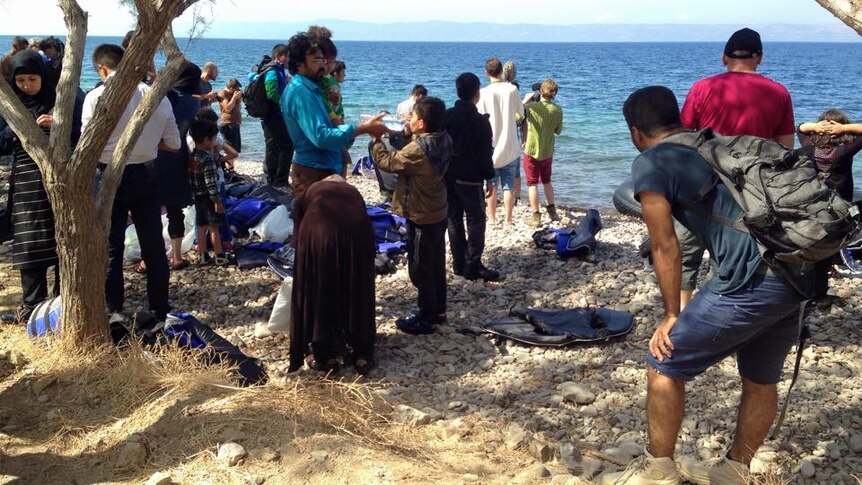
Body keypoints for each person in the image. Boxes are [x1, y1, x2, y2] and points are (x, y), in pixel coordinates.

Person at [601, 86, 806, 485]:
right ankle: (733, 471)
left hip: (752, 276)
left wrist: (673, 314)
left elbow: (665, 246)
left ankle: (659, 470)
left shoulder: (651, 161)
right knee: (761, 378)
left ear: (635, 132)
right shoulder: (712, 142)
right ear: (677, 119)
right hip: (798, 270)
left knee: (664, 363)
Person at [676, 27, 795, 309]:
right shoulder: (779, 93)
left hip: (699, 184)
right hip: (748, 193)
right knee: (730, 256)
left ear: (723, 58)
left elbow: (682, 138)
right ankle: (718, 314)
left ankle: (679, 316)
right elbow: (784, 148)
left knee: (685, 253)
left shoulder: (702, 88)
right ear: (760, 57)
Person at [83, 43, 181, 322]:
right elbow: (174, 144)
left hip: (109, 173)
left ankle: (114, 310)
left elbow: (87, 143)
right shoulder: (157, 98)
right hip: (146, 173)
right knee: (152, 245)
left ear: (102, 69)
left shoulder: (96, 97)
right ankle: (159, 309)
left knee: (112, 246)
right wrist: (147, 143)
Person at [0, 50, 84, 324]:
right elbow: (1, 144)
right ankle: (32, 309)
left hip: (59, 183)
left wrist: (57, 125)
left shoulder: (60, 101)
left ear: (43, 77)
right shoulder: (12, 105)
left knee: (62, 242)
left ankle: (62, 304)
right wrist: (17, 128)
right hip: (25, 185)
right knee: (29, 245)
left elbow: (81, 136)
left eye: (31, 79)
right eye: (21, 80)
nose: (26, 85)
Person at [371, 97, 452, 335]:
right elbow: (412, 139)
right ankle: (439, 311)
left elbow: (388, 162)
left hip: (421, 214)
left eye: (413, 117)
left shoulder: (418, 150)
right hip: (438, 208)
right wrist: (404, 129)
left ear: (422, 124)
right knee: (435, 264)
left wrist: (376, 139)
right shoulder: (444, 138)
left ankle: (426, 317)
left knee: (419, 268)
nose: (410, 119)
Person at [280, 32, 387, 201]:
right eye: (316, 60)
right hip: (313, 172)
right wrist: (363, 128)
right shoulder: (302, 92)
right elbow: (321, 137)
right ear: (299, 64)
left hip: (321, 168)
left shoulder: (311, 89)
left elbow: (328, 131)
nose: (323, 65)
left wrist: (359, 129)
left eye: (324, 59)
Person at [288, 175, 377, 374]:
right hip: (356, 233)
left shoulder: (310, 192)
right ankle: (362, 352)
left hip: (320, 232)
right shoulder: (353, 192)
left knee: (321, 286)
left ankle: (324, 353)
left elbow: (298, 226)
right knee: (356, 286)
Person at [443, 72, 501, 282]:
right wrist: (490, 178)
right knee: (476, 220)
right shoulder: (480, 121)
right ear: (477, 93)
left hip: (449, 175)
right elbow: (485, 154)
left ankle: (459, 263)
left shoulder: (446, 116)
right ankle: (472, 264)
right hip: (471, 178)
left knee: (453, 218)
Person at [151, 60, 203, 273]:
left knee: (150, 212)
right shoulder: (192, 103)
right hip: (177, 159)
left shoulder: (155, 98)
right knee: (175, 211)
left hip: (150, 158)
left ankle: (149, 259)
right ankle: (177, 257)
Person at [477, 56, 524, 226]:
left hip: (490, 146)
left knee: (491, 185)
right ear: (501, 70)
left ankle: (492, 218)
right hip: (510, 145)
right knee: (508, 185)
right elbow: (520, 113)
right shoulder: (512, 90)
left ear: (486, 72)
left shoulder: (483, 93)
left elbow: (480, 117)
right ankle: (509, 219)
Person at [522, 79, 563, 227]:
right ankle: (552, 211)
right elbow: (558, 131)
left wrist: (525, 101)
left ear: (540, 91)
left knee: (532, 184)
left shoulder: (532, 107)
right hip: (547, 151)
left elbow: (517, 116)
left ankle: (536, 216)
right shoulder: (558, 110)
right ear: (554, 93)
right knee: (547, 181)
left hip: (532, 150)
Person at [187, 117, 229, 265]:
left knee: (201, 226)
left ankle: (203, 255)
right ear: (206, 140)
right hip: (209, 198)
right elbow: (211, 183)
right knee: (214, 228)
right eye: (213, 139)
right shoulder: (207, 159)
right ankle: (219, 256)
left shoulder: (192, 156)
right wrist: (217, 201)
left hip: (197, 196)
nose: (214, 142)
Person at [797, 109, 862, 202]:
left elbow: (800, 128)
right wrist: (844, 128)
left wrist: (815, 127)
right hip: (841, 200)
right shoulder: (845, 150)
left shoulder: (809, 145)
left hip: (813, 197)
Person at [260, 43, 294, 187]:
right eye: (288, 57)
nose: (289, 61)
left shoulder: (278, 70)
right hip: (272, 115)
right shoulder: (273, 70)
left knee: (273, 145)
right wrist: (284, 104)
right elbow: (271, 93)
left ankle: (272, 178)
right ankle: (279, 180)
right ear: (281, 57)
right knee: (286, 146)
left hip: (272, 115)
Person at [502, 60, 523, 204]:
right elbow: (520, 118)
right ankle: (516, 197)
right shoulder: (514, 90)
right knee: (515, 173)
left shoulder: (498, 90)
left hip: (496, 138)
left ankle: (488, 196)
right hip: (512, 139)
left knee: (493, 174)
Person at [218, 78, 243, 153]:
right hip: (228, 124)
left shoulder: (233, 95)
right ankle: (228, 164)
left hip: (235, 123)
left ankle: (231, 164)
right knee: (231, 151)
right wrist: (234, 98)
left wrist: (239, 99)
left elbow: (238, 108)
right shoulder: (223, 93)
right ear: (231, 88)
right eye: (237, 89)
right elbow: (227, 109)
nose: (238, 91)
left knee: (235, 150)